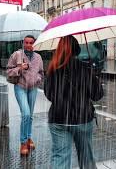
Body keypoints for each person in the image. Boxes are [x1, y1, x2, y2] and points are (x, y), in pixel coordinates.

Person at [44, 35, 103, 169]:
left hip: (58, 119)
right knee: (86, 157)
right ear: (76, 49)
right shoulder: (85, 68)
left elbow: (49, 95)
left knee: (60, 158)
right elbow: (97, 95)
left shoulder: (52, 69)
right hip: (82, 118)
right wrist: (95, 77)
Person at [6, 35, 44, 156]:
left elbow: (41, 73)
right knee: (26, 114)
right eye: (26, 42)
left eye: (31, 43)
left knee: (30, 116)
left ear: (34, 44)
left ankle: (28, 138)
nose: (28, 45)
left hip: (33, 88)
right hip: (20, 87)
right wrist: (19, 68)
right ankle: (23, 142)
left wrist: (37, 79)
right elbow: (8, 71)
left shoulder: (38, 57)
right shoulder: (17, 55)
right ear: (23, 43)